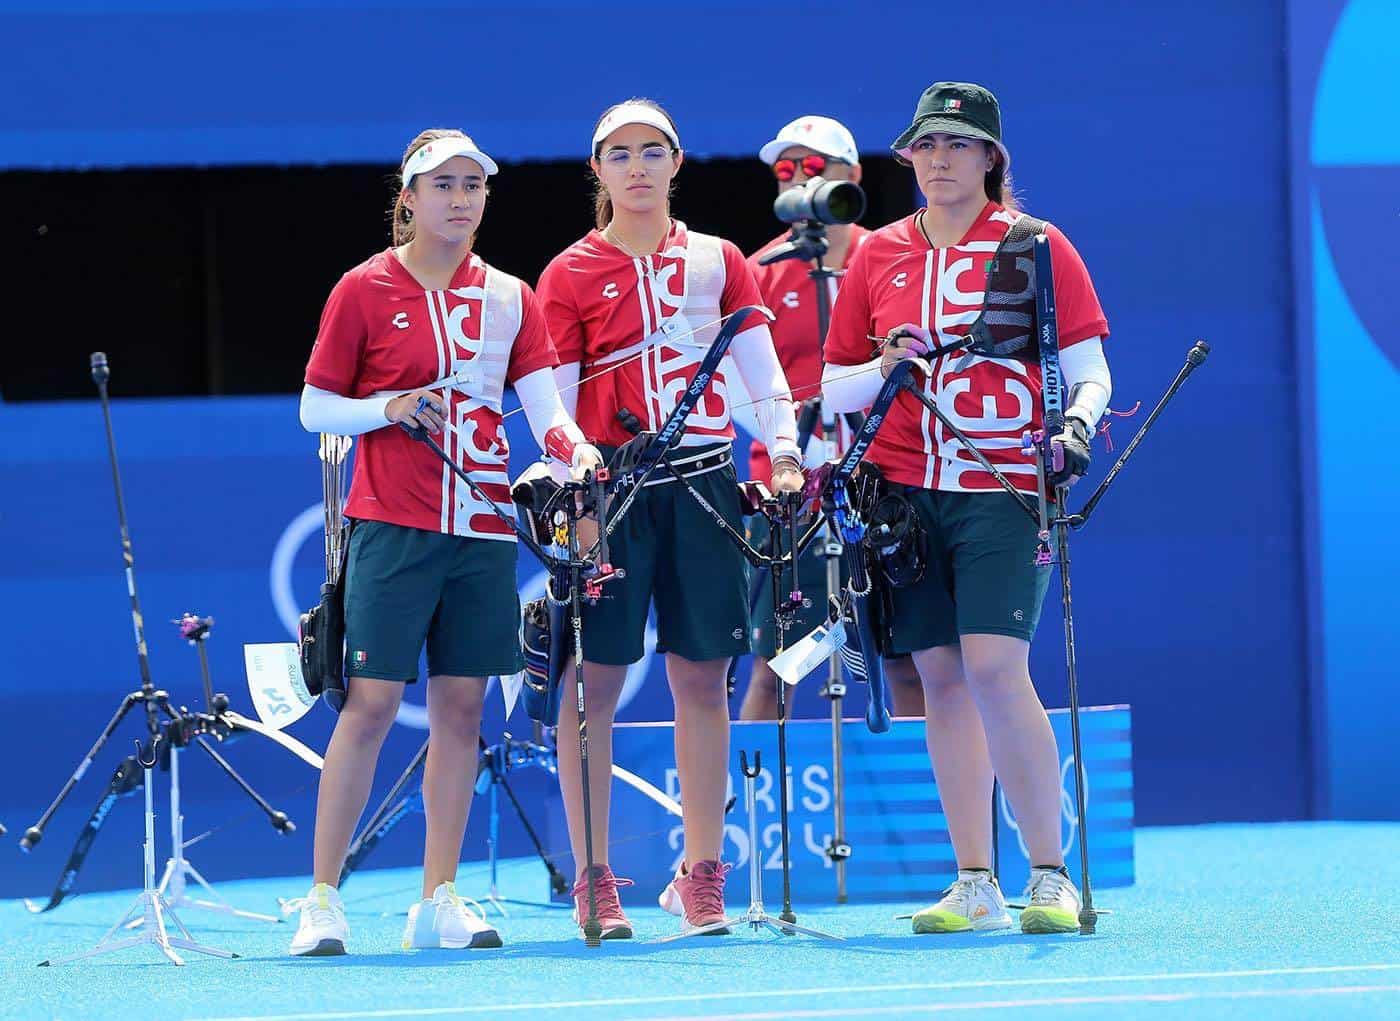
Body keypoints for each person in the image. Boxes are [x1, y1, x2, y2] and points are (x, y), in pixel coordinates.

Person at [289, 129, 602, 956]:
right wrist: (386, 407)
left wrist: (577, 449)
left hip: (482, 529)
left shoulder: (510, 295)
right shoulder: (362, 289)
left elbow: (546, 410)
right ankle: (321, 897)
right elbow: (316, 408)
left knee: (463, 709)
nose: (461, 198)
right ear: (410, 195)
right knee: (373, 706)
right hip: (391, 526)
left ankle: (439, 896)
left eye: (474, 185)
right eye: (444, 184)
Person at [821, 82, 1112, 935]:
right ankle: (974, 879)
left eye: (958, 143)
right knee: (940, 678)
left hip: (1002, 484)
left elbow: (1090, 367)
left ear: (991, 157)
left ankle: (1049, 872)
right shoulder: (875, 254)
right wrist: (885, 364)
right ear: (907, 157)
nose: (939, 159)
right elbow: (832, 388)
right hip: (905, 494)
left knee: (992, 666)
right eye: (924, 144)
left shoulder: (1036, 246)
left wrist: (1077, 428)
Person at [537, 99, 804, 938]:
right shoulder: (568, 272)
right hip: (608, 492)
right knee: (593, 684)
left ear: (678, 162)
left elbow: (760, 375)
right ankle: (594, 878)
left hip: (703, 483)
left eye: (654, 151)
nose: (639, 167)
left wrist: (788, 449)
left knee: (703, 677)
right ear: (598, 171)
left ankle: (701, 875)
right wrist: (575, 470)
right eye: (621, 155)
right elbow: (547, 398)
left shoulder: (721, 260)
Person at [738, 115, 924, 722]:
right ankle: (760, 815)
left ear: (854, 177)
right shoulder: (757, 272)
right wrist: (791, 445)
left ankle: (939, 807)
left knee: (909, 660)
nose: (799, 180)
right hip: (791, 491)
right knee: (777, 669)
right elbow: (728, 387)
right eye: (787, 170)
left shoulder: (894, 256)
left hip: (889, 480)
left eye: (814, 168)